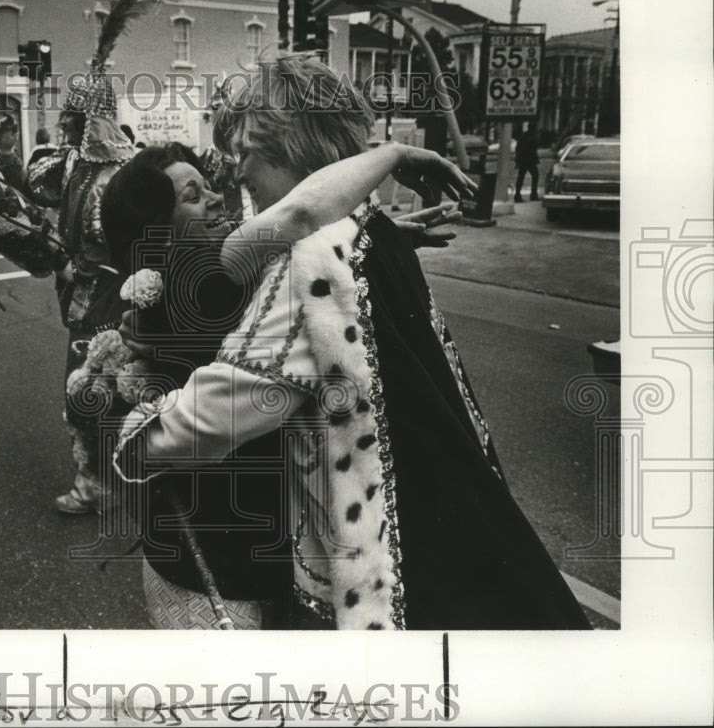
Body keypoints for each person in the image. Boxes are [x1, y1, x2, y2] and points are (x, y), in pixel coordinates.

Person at [114, 53, 592, 630]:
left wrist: (135, 432)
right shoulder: (373, 229)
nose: (236, 176)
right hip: (440, 543)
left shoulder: (308, 263)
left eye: (246, 153)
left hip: (362, 586)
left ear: (288, 145)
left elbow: (210, 417)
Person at [96, 143, 293, 629]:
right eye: (192, 195)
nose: (216, 198)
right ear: (158, 232)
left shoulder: (189, 284)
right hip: (213, 572)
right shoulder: (198, 283)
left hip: (228, 557)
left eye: (209, 185)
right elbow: (297, 220)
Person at [33, 0, 154, 515]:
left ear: (94, 118)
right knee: (91, 389)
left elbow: (144, 239)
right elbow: (36, 185)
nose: (67, 124)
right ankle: (103, 476)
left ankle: (102, 482)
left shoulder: (128, 172)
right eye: (67, 116)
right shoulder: (71, 166)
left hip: (116, 296)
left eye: (75, 117)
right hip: (82, 294)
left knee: (102, 389)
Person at [515, 123, 540, 202]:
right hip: (529, 160)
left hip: (523, 160)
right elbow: (534, 149)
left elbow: (518, 148)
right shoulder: (533, 137)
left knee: (521, 177)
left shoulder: (523, 136)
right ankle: (533, 194)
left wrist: (517, 160)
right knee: (535, 176)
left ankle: (518, 195)